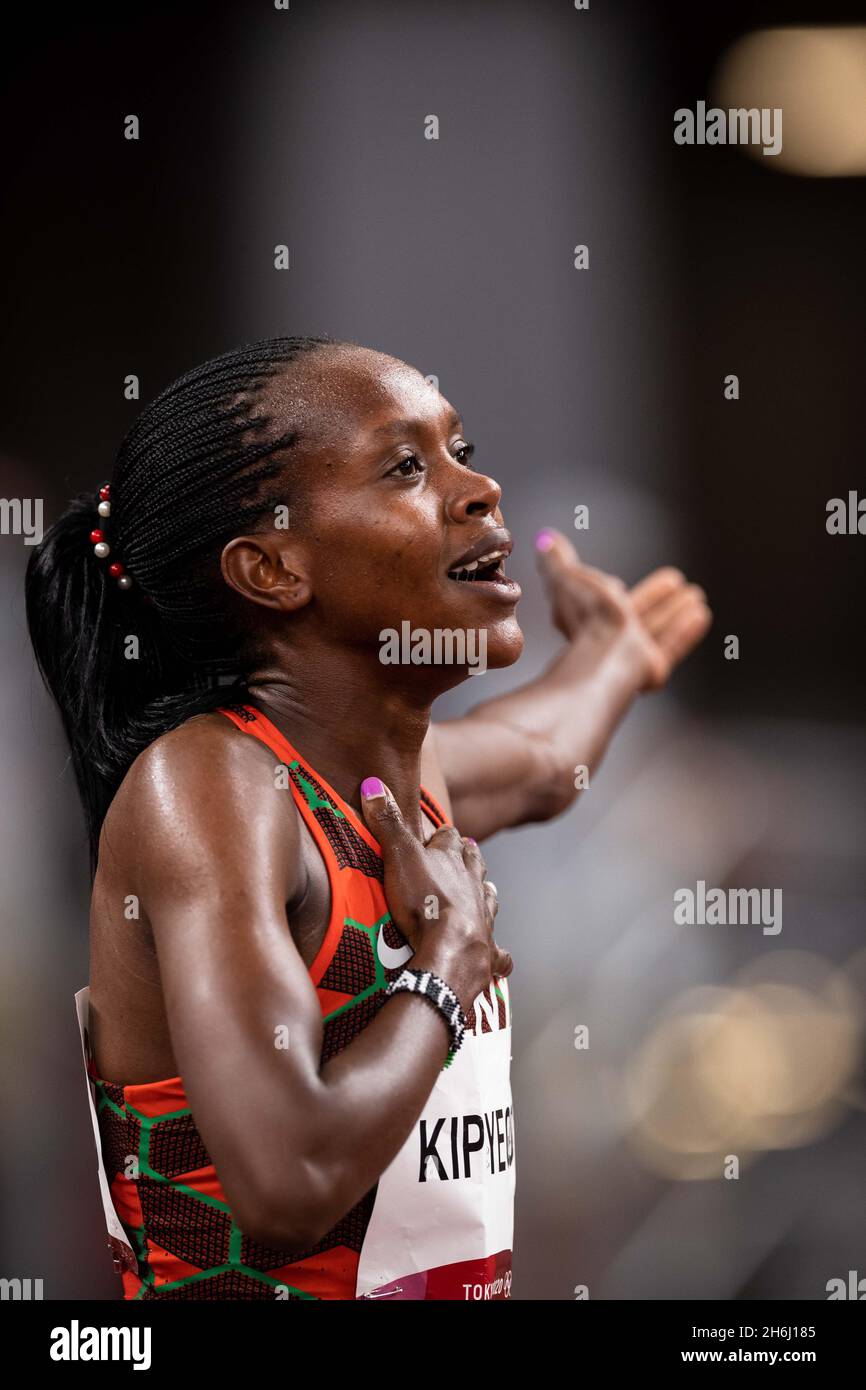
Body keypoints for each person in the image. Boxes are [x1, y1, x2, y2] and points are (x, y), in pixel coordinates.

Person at [26, 334, 710, 1300]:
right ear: (271, 568)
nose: (479, 490)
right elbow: (286, 1179)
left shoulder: (391, 782)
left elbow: (543, 762)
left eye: (461, 448)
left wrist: (615, 657)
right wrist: (445, 968)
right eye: (406, 466)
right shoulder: (211, 785)